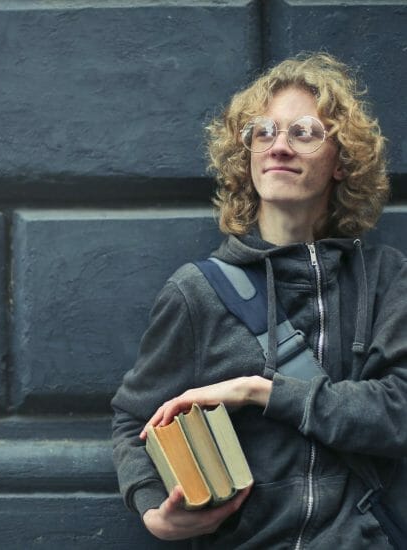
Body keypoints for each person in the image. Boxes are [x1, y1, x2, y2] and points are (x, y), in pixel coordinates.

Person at [111, 52, 407, 548]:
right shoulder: (198, 291)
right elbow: (133, 420)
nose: (279, 146)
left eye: (305, 132)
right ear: (246, 156)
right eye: (263, 132)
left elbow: (398, 413)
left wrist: (261, 392)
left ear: (342, 161)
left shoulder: (384, 280)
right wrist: (151, 509)